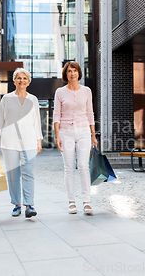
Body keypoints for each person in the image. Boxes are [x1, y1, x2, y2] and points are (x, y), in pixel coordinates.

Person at [0, 68, 43, 218]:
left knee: (28, 173)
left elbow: (36, 122)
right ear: (14, 81)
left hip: (29, 142)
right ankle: (17, 204)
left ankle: (29, 205)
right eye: (18, 78)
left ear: (28, 81)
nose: (21, 80)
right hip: (9, 142)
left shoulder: (33, 99)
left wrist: (39, 140)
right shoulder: (6, 98)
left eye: (24, 78)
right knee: (13, 175)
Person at [53, 61, 98, 215]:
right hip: (66, 132)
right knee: (69, 168)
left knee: (84, 167)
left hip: (84, 131)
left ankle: (86, 202)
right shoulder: (60, 92)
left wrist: (93, 135)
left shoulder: (86, 91)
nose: (72, 73)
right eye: (69, 71)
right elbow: (56, 115)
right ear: (65, 74)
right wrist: (57, 135)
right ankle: (71, 202)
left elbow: (90, 113)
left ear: (79, 73)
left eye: (75, 71)